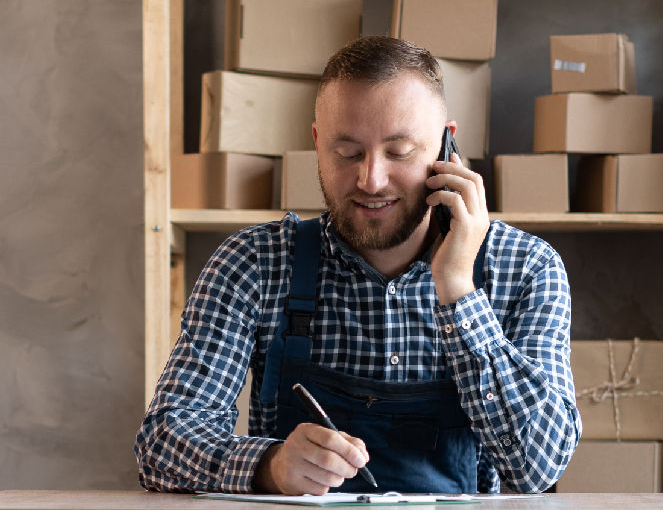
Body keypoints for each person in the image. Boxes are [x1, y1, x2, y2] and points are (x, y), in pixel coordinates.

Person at [134, 35, 581, 495]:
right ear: (316, 143)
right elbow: (162, 445)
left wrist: (459, 290)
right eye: (347, 152)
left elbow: (538, 468)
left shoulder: (527, 267)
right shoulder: (254, 264)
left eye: (400, 151)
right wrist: (269, 466)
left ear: (448, 146)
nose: (371, 179)